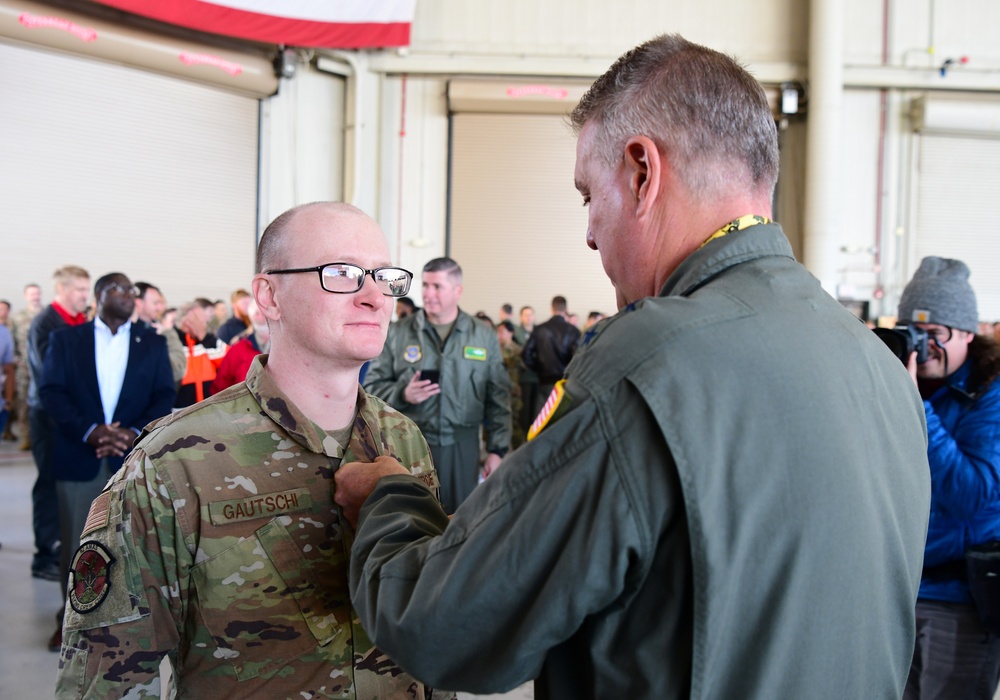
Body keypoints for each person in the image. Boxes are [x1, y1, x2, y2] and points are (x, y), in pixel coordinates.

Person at [335, 34, 932, 699]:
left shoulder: (647, 364)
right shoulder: (879, 369)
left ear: (643, 173)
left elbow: (445, 625)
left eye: (588, 194)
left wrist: (389, 499)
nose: (590, 231)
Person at [55, 202, 449, 699]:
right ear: (270, 295)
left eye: (385, 277)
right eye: (343, 274)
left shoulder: (403, 440)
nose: (375, 297)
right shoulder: (173, 463)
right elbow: (105, 680)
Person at [40, 273, 175, 650]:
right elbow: (51, 391)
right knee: (75, 544)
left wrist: (131, 432)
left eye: (133, 291)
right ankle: (69, 621)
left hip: (129, 458)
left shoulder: (151, 342)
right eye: (119, 290)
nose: (129, 296)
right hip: (79, 454)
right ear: (99, 296)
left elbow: (164, 393)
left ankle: (117, 621)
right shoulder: (67, 340)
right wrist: (90, 431)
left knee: (129, 543)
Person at [898, 257, 1000, 700]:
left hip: (959, 603)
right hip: (899, 590)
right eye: (912, 332)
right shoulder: (904, 380)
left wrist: (916, 407)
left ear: (967, 333)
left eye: (935, 333)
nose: (923, 346)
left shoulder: (990, 394)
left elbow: (973, 494)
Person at [364, 257, 511, 513]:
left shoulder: (482, 335)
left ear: (457, 291)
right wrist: (403, 393)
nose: (428, 294)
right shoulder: (399, 333)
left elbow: (498, 396)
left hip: (462, 445)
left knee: (460, 518)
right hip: (411, 442)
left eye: (437, 287)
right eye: (426, 285)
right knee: (411, 516)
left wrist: (498, 449)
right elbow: (371, 387)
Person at [27, 265, 90, 585]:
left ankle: (66, 547)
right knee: (49, 484)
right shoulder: (46, 324)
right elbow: (48, 377)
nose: (85, 296)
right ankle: (44, 554)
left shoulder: (82, 322)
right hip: (49, 417)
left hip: (73, 417)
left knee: (69, 486)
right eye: (80, 289)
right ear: (62, 290)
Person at [522, 295, 581, 415]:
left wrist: (537, 368)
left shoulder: (540, 329)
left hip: (544, 382)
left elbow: (525, 354)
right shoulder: (573, 331)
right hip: (566, 385)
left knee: (542, 421)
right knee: (563, 419)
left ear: (551, 308)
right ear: (566, 309)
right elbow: (579, 357)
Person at [174, 300, 227, 408]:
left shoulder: (207, 340)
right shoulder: (173, 342)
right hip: (178, 413)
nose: (205, 325)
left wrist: (203, 336)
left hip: (208, 410)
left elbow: (229, 361)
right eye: (202, 321)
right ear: (189, 320)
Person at [209, 299, 270, 394]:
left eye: (265, 313)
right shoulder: (238, 350)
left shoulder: (289, 349)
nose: (261, 317)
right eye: (256, 313)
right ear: (251, 318)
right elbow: (219, 389)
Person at [9, 283, 43, 448]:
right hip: (23, 367)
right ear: (26, 296)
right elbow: (11, 341)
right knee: (23, 402)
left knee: (44, 401)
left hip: (43, 367)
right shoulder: (17, 317)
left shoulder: (46, 315)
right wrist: (16, 358)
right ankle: (26, 436)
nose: (35, 297)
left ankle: (43, 436)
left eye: (37, 293)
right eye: (31, 294)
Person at [134, 281, 187, 383]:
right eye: (155, 303)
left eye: (161, 303)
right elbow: (178, 368)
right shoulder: (138, 335)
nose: (160, 308)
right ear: (139, 303)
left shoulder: (156, 329)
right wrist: (168, 333)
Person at [496, 320, 525, 449]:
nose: (499, 334)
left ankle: (517, 450)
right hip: (497, 391)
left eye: (502, 332)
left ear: (511, 333)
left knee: (515, 423)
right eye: (498, 331)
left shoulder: (518, 350)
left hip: (513, 392)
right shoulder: (494, 349)